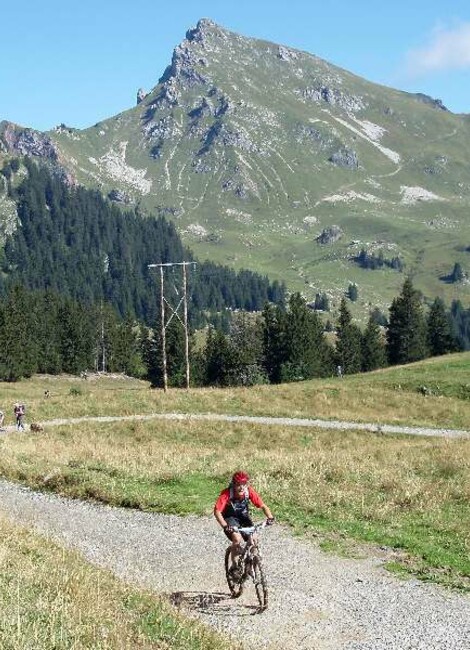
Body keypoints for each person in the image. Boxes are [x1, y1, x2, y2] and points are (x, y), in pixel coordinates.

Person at [214, 471, 274, 580]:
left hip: (243, 518)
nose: (241, 487)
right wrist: (225, 525)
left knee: (254, 539)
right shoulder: (227, 494)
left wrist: (270, 517)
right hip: (230, 519)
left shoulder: (249, 492)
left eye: (243, 484)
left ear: (246, 484)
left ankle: (251, 565)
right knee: (237, 539)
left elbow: (263, 506)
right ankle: (234, 566)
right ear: (233, 484)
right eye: (238, 484)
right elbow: (217, 511)